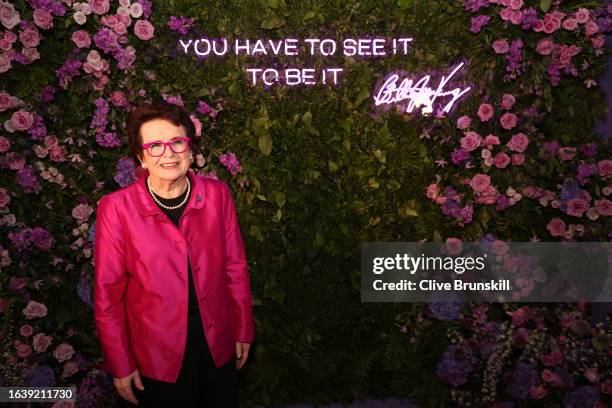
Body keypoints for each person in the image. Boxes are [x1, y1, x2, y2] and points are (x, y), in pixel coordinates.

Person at [93, 103, 254, 406]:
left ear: (190, 149)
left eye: (177, 142)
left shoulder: (218, 195)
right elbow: (107, 295)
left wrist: (243, 328)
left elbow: (235, 267)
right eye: (154, 146)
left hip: (217, 341)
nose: (168, 153)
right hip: (155, 355)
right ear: (140, 156)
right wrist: (121, 363)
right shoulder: (116, 209)